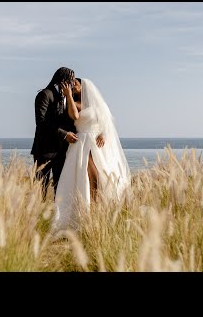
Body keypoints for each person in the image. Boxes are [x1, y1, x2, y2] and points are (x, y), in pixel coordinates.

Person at [52, 78, 131, 232]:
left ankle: (97, 210)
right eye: (71, 83)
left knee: (101, 175)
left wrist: (103, 135)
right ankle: (86, 210)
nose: (72, 85)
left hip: (96, 143)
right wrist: (68, 95)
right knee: (87, 175)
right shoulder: (71, 103)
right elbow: (75, 116)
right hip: (81, 143)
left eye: (75, 83)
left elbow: (106, 123)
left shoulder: (98, 105)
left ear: (84, 86)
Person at [31, 67, 79, 201]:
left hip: (62, 151)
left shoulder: (69, 97)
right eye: (71, 80)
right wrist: (64, 134)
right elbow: (41, 122)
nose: (73, 83)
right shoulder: (45, 95)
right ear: (63, 81)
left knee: (60, 189)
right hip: (44, 150)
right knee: (40, 188)